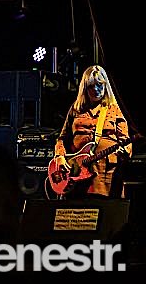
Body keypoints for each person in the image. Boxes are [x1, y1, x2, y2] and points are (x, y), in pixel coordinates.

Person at [52, 65, 132, 199]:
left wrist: (125, 151)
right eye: (91, 86)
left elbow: (125, 140)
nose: (95, 89)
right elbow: (62, 138)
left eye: (99, 85)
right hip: (76, 174)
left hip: (105, 175)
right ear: (84, 88)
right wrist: (59, 157)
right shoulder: (76, 109)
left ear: (106, 85)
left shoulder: (115, 109)